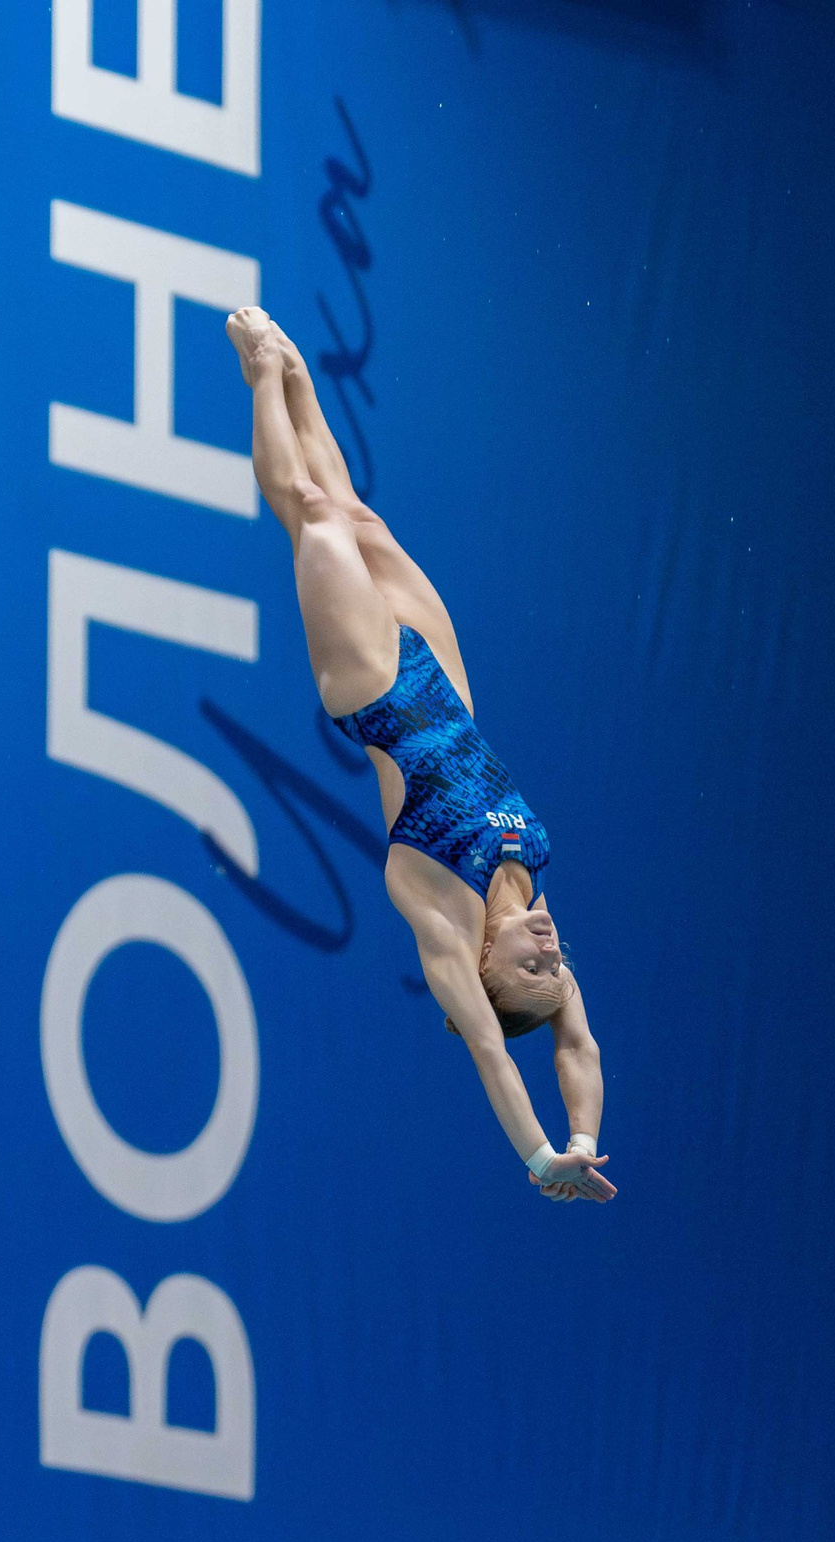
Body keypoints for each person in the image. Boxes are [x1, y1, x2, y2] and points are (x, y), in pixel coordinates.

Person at [226, 307, 612, 1204]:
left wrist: (542, 1155)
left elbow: (491, 1047)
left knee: (314, 515)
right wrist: (588, 1133)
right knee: (357, 508)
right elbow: (577, 1045)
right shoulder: (533, 900)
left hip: (376, 699)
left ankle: (258, 378)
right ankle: (295, 368)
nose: (551, 953)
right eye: (555, 967)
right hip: (450, 685)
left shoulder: (443, 922)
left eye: (532, 967)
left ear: (481, 971)